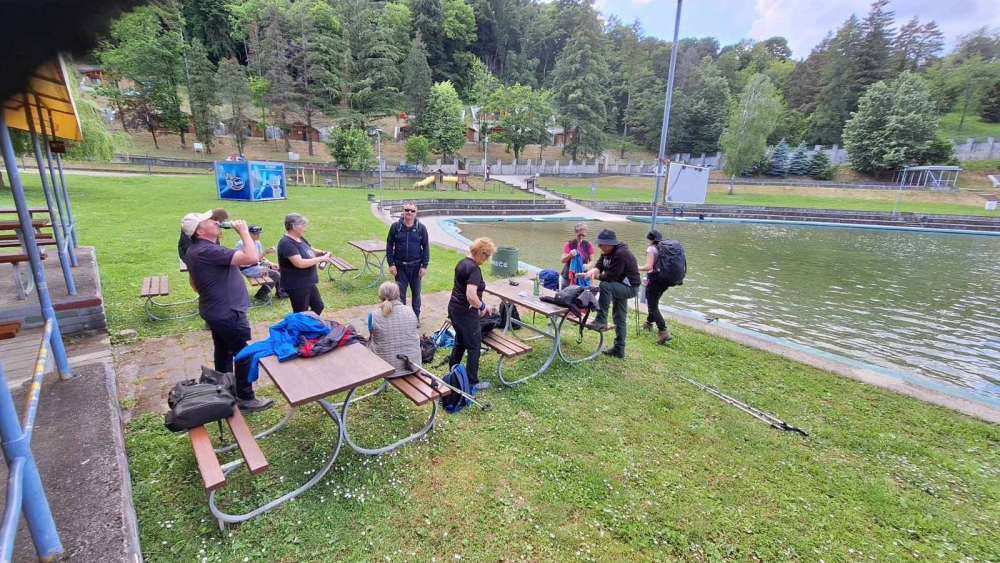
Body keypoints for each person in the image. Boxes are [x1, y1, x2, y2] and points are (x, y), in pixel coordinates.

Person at [181, 211, 273, 412]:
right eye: (209, 221)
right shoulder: (205, 250)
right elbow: (249, 255)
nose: (215, 221)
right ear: (199, 230)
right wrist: (243, 232)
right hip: (227, 312)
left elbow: (248, 260)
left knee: (223, 352)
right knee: (245, 353)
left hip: (216, 310)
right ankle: (246, 398)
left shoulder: (201, 249)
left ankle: (224, 393)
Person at [582, 229, 640, 358]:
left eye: (602, 244)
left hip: (630, 288)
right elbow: (599, 265)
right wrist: (592, 271)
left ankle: (601, 319)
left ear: (610, 244)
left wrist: (593, 277)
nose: (599, 247)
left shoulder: (621, 254)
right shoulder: (606, 252)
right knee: (619, 318)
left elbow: (610, 278)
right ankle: (619, 349)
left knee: (605, 285)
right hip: (619, 286)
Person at [448, 237, 496, 391]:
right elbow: (470, 295)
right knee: (474, 346)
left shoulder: (462, 262)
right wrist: (482, 306)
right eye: (487, 256)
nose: (487, 260)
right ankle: (472, 382)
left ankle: (453, 372)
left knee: (460, 341)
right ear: (481, 253)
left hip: (454, 308)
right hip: (466, 313)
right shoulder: (474, 269)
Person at [276, 213, 331, 315]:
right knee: (301, 313)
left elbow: (310, 249)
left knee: (318, 306)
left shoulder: (299, 238)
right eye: (303, 225)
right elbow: (299, 263)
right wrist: (320, 259)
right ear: (294, 226)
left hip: (308, 282)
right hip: (296, 284)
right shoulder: (287, 243)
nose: (305, 229)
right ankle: (300, 329)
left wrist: (321, 252)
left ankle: (308, 326)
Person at [385, 202, 430, 324]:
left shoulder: (421, 228)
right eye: (407, 210)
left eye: (412, 211)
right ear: (403, 211)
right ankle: (402, 319)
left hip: (416, 268)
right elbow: (389, 246)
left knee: (416, 295)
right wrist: (391, 264)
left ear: (416, 213)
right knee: (400, 295)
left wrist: (424, 266)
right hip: (400, 267)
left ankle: (415, 319)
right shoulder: (396, 227)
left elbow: (426, 247)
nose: (409, 213)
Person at [367, 281, 421, 377]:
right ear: (398, 294)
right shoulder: (410, 311)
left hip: (385, 367)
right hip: (413, 363)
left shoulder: (373, 315)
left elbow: (372, 336)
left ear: (380, 296)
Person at [636, 230, 673, 345]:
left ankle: (663, 331)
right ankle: (649, 323)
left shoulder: (651, 249)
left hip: (655, 280)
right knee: (654, 302)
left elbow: (649, 266)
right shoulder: (663, 249)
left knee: (652, 306)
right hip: (665, 280)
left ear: (650, 240)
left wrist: (637, 267)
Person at [234, 225, 284, 301]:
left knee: (278, 268)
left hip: (257, 265)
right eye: (256, 234)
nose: (258, 235)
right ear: (248, 234)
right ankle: (261, 293)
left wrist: (270, 264)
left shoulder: (257, 242)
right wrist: (265, 252)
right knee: (276, 274)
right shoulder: (241, 244)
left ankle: (280, 292)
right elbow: (254, 259)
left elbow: (260, 258)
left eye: (259, 233)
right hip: (249, 268)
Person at [559, 222, 594, 289]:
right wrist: (570, 255)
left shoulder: (588, 245)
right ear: (575, 233)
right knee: (565, 295)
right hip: (568, 275)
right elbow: (562, 260)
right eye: (579, 235)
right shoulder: (569, 244)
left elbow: (592, 260)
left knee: (580, 296)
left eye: (583, 235)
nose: (581, 237)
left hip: (582, 274)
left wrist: (587, 266)